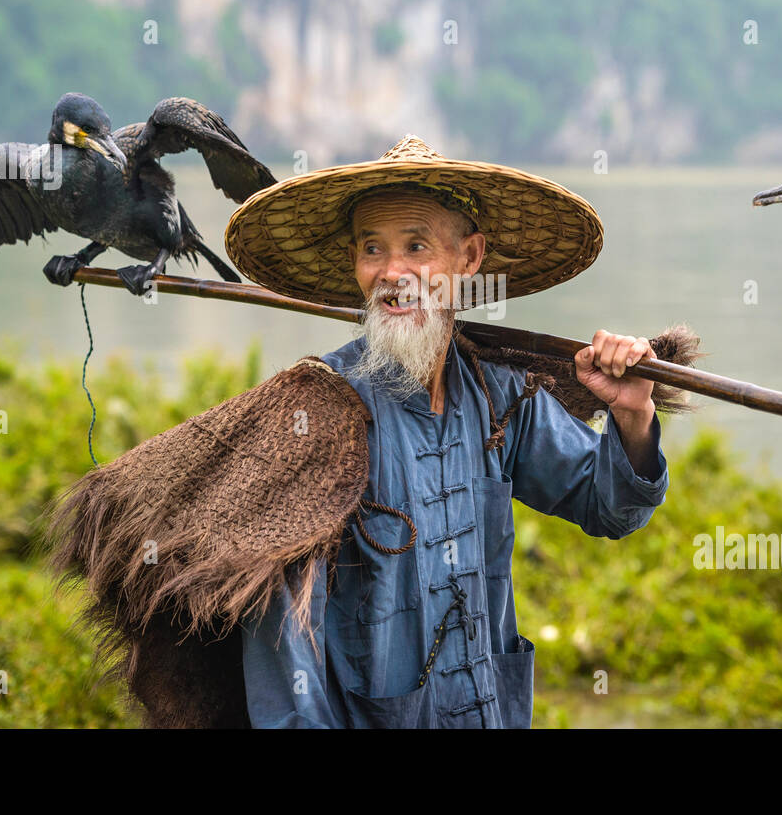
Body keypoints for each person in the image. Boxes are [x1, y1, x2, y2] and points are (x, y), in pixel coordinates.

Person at [223, 135, 672, 728]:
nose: (391, 273)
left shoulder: (500, 396)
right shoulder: (320, 412)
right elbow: (283, 651)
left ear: (470, 257)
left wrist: (632, 413)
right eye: (372, 249)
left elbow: (612, 509)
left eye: (416, 246)